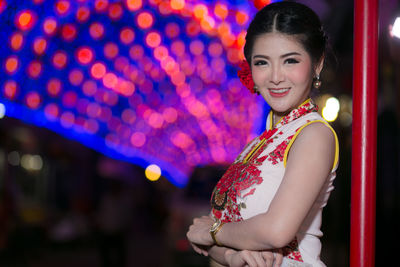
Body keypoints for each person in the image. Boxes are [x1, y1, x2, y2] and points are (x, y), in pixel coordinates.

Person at [186, 2, 339, 267]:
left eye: (290, 60)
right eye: (262, 62)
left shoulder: (314, 134)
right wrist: (230, 254)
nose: (276, 77)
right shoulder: (256, 145)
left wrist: (211, 231)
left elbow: (276, 231)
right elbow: (220, 244)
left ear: (317, 64)